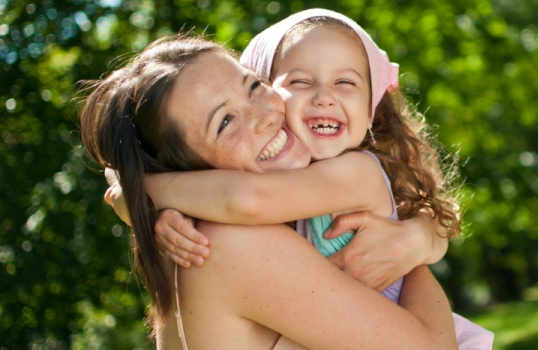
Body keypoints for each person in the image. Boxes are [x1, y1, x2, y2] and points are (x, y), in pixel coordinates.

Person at [80, 36, 458, 349]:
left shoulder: (241, 228)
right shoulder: (226, 244)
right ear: (186, 171)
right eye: (225, 122)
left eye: (254, 86)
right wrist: (142, 190)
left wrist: (420, 234)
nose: (265, 115)